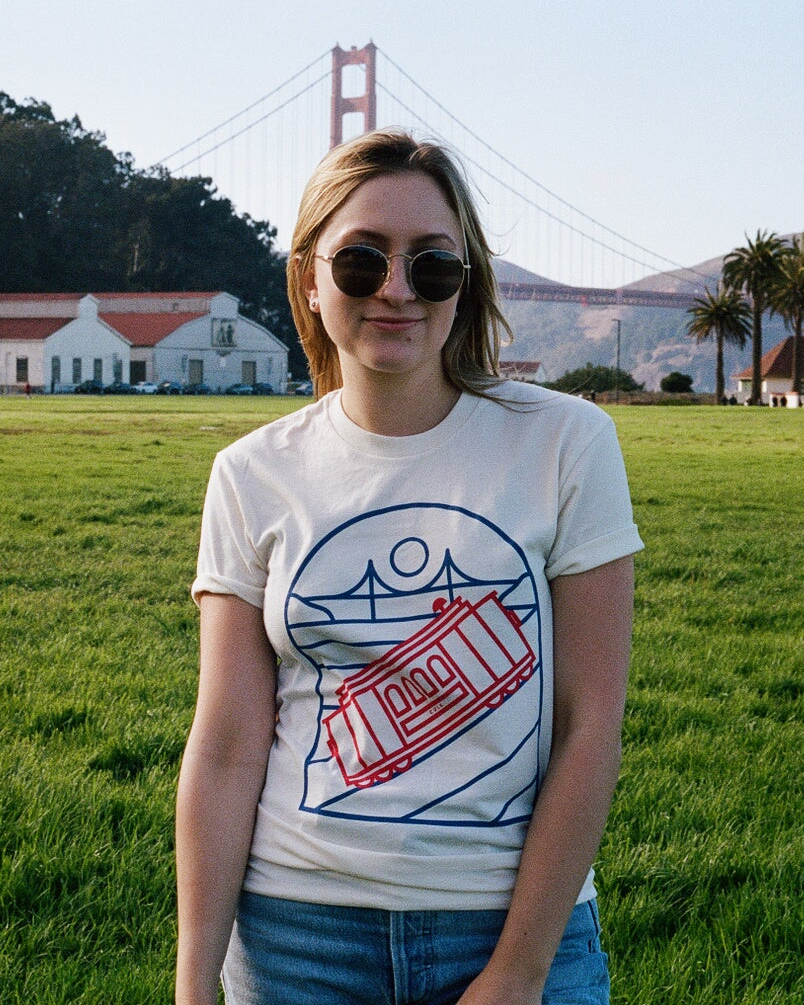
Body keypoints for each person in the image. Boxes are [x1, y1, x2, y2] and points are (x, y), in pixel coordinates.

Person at [176, 128, 642, 1005]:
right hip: (293, 939)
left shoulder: (566, 442)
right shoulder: (250, 472)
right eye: (360, 261)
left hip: (508, 926)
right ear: (310, 280)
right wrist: (194, 984)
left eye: (432, 266)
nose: (396, 290)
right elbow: (228, 746)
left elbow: (589, 728)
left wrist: (516, 973)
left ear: (466, 286)